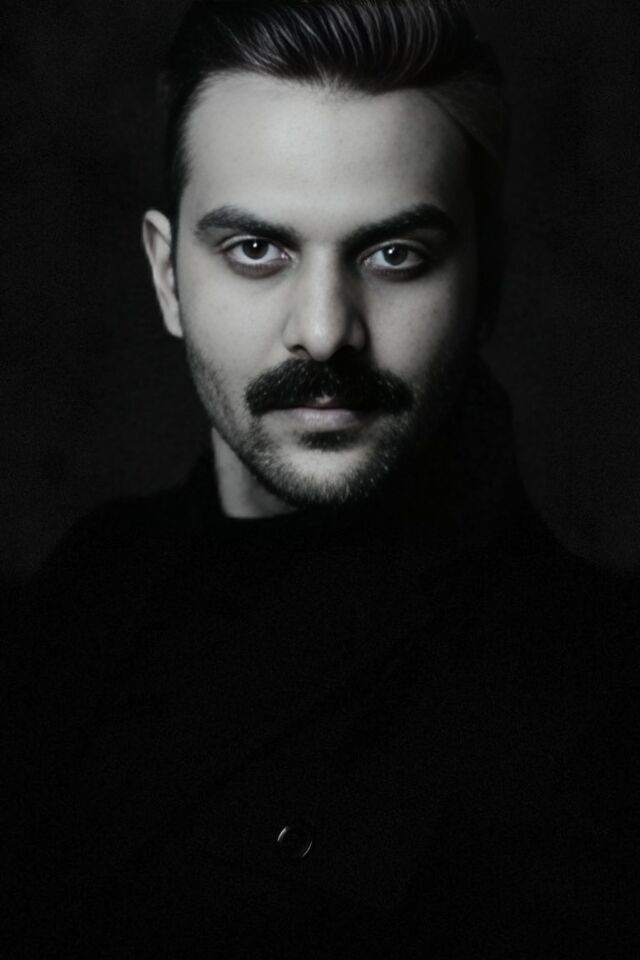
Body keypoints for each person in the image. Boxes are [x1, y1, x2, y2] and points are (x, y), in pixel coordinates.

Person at [3, 1, 637, 957]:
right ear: (168, 278)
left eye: (394, 254)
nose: (326, 330)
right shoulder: (87, 586)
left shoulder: (596, 697)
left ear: (487, 279)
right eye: (256, 249)